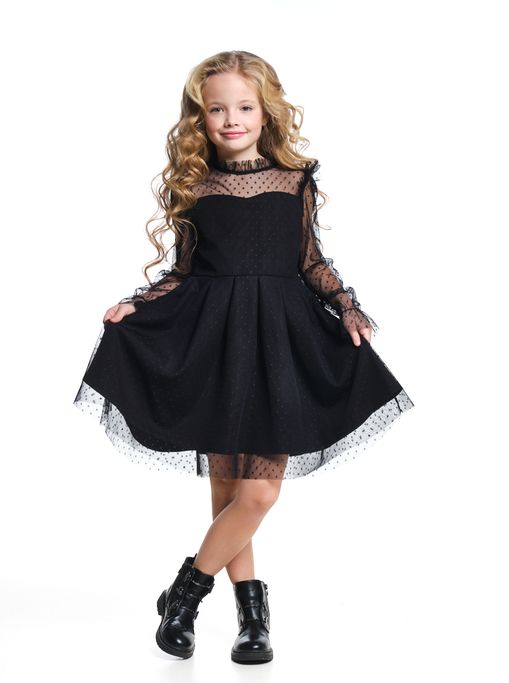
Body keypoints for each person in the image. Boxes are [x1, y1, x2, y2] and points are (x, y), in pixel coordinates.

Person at [73, 50, 414, 664]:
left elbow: (309, 260)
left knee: (257, 494)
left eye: (244, 107)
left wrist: (347, 307)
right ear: (200, 118)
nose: (231, 119)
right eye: (217, 109)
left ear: (266, 111)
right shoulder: (196, 187)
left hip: (279, 343)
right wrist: (136, 305)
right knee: (230, 493)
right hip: (216, 341)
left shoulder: (294, 180)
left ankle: (183, 597)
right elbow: (184, 272)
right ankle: (253, 622)